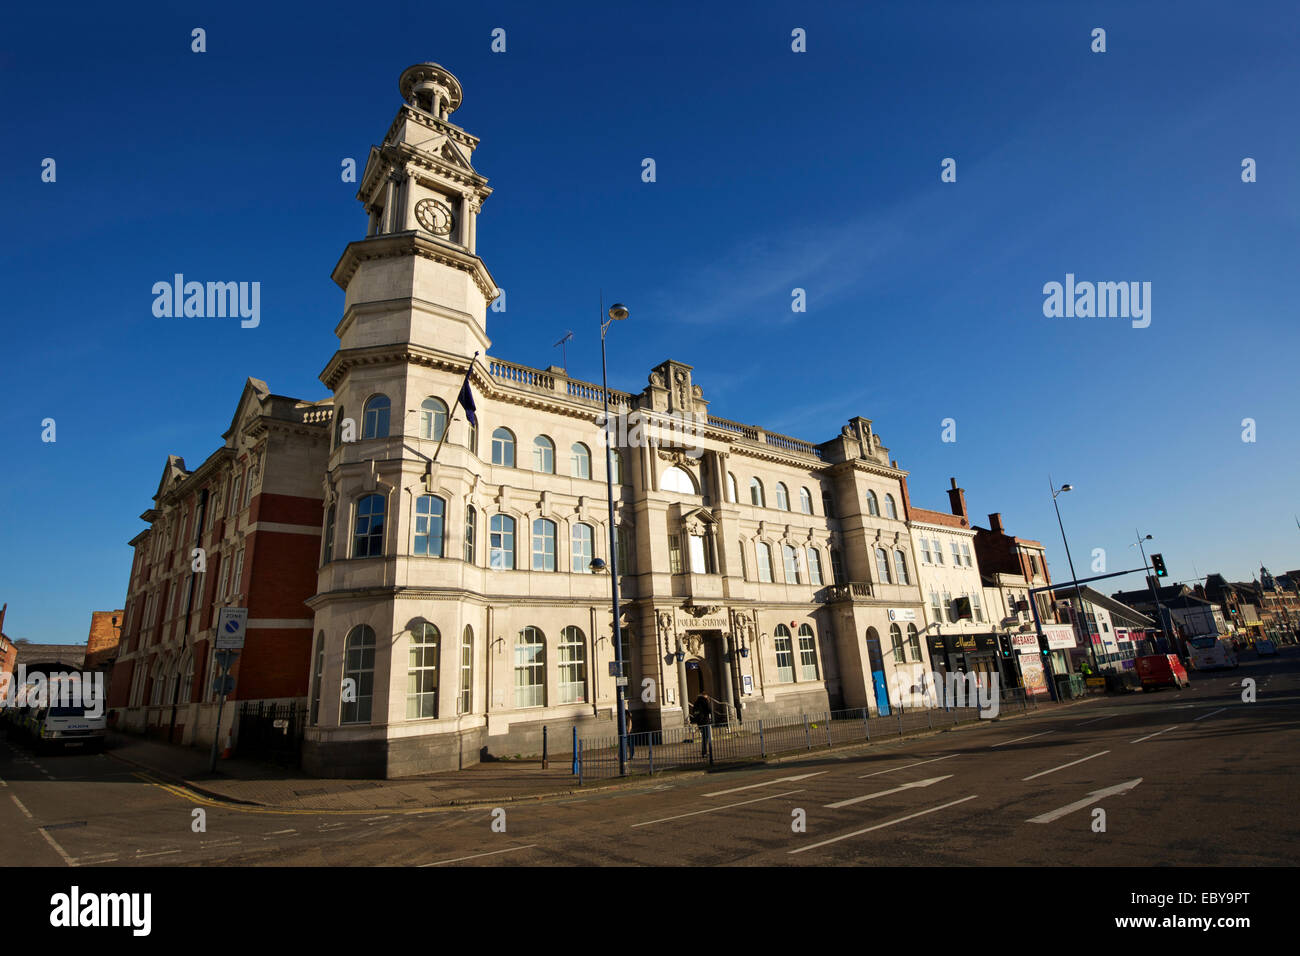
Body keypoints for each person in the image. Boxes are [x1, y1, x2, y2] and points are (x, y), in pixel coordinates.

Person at [691, 693, 712, 758]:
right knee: (706, 737)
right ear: (705, 696)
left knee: (704, 737)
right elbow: (709, 710)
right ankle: (705, 753)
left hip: (699, 722)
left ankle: (704, 752)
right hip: (705, 721)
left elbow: (694, 711)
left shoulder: (696, 702)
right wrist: (708, 702)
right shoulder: (705, 701)